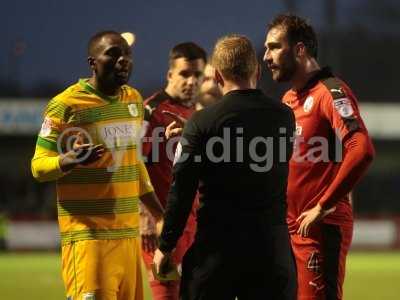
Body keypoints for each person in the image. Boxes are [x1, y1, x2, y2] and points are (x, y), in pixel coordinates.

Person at [154, 34, 297, 300]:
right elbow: (248, 147)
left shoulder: (202, 122)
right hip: (271, 252)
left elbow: (181, 191)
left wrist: (166, 245)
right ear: (256, 70)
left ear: (218, 76)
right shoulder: (284, 116)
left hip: (217, 253)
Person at [31, 30, 164, 300]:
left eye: (127, 54)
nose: (123, 60)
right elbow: (38, 166)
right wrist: (68, 160)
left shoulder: (133, 101)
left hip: (128, 238)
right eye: (113, 54)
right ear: (92, 62)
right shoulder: (65, 106)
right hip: (88, 238)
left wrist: (159, 214)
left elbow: (132, 163)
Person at [263, 14, 375, 300]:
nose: (266, 56)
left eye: (275, 47)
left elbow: (361, 149)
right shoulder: (288, 99)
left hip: (319, 230)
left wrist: (325, 205)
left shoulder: (331, 91)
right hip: (289, 231)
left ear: (300, 49)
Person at [139, 42, 207, 300]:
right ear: (170, 75)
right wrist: (145, 215)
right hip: (162, 225)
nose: (191, 81)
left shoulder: (198, 114)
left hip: (193, 225)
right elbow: (134, 164)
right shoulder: (151, 112)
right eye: (184, 74)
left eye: (197, 75)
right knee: (166, 293)